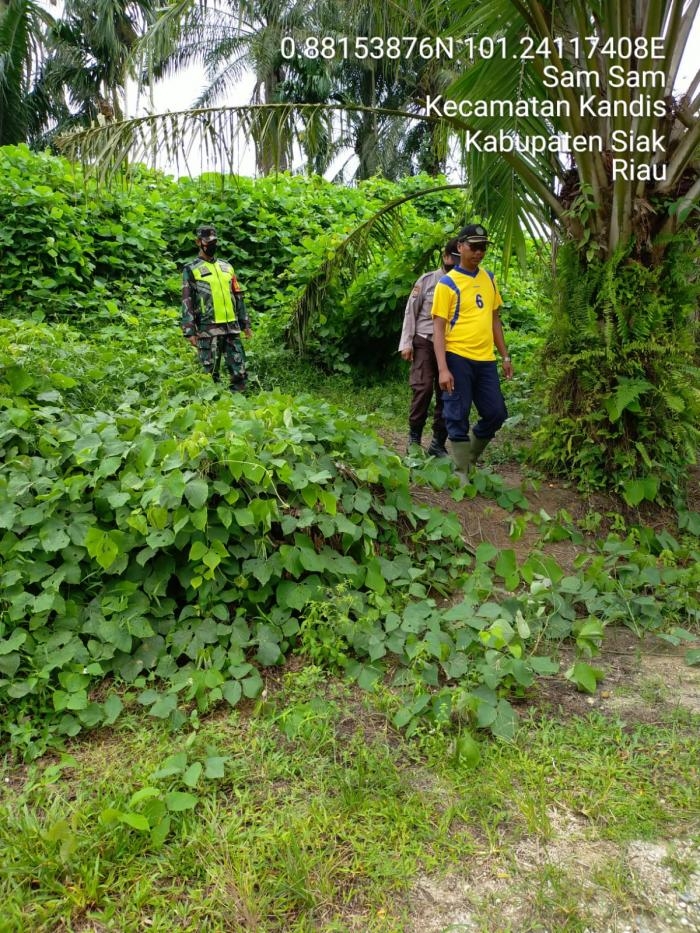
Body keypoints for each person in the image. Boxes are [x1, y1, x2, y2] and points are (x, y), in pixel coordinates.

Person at [431, 224, 513, 479]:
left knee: (496, 412)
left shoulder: (488, 279)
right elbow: (438, 329)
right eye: (474, 247)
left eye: (483, 247)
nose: (479, 252)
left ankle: (468, 459)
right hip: (458, 357)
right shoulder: (447, 284)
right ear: (460, 247)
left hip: (485, 359)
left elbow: (494, 319)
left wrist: (505, 356)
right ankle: (461, 472)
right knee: (457, 413)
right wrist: (443, 369)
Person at [398, 237, 459, 457]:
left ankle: (437, 442)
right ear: (445, 257)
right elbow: (410, 312)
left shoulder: (463, 283)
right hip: (425, 341)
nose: (456, 262)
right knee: (422, 389)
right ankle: (414, 438)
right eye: (453, 257)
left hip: (452, 345)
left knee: (447, 392)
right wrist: (406, 343)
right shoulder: (427, 280)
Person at [181, 224, 253, 392]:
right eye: (207, 241)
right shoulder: (191, 269)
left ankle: (240, 400)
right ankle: (213, 404)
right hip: (208, 328)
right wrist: (189, 330)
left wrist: (245, 323)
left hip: (231, 327)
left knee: (239, 370)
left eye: (214, 241)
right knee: (210, 373)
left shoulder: (227, 267)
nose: (211, 245)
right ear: (198, 242)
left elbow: (238, 295)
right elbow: (187, 300)